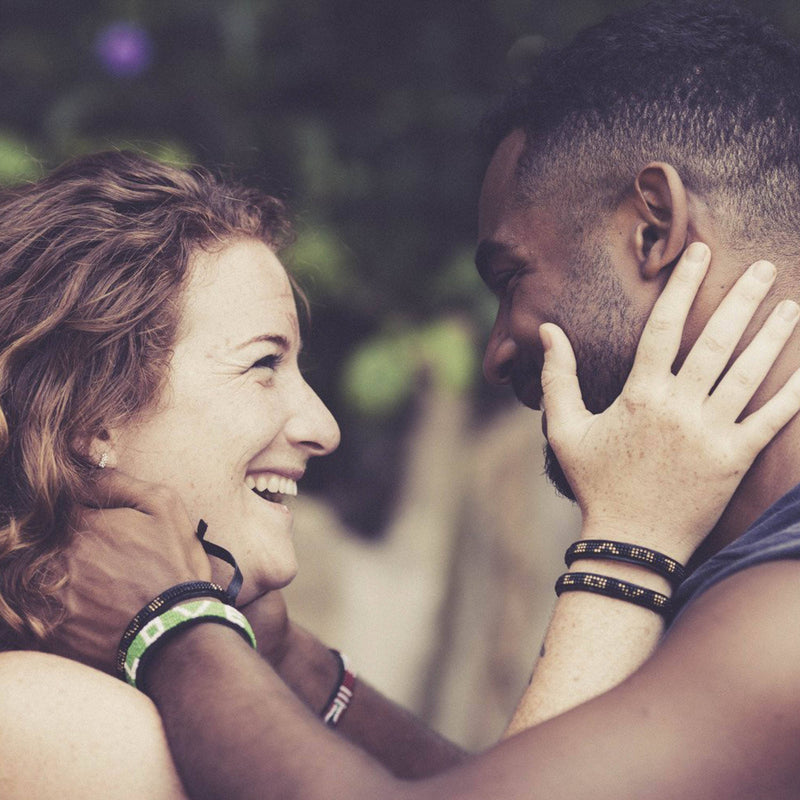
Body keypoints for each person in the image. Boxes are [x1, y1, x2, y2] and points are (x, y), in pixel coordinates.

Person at [44, 1, 800, 798]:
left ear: (654, 232)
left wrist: (171, 628)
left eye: (511, 278)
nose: (497, 349)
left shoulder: (781, 617)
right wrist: (293, 663)